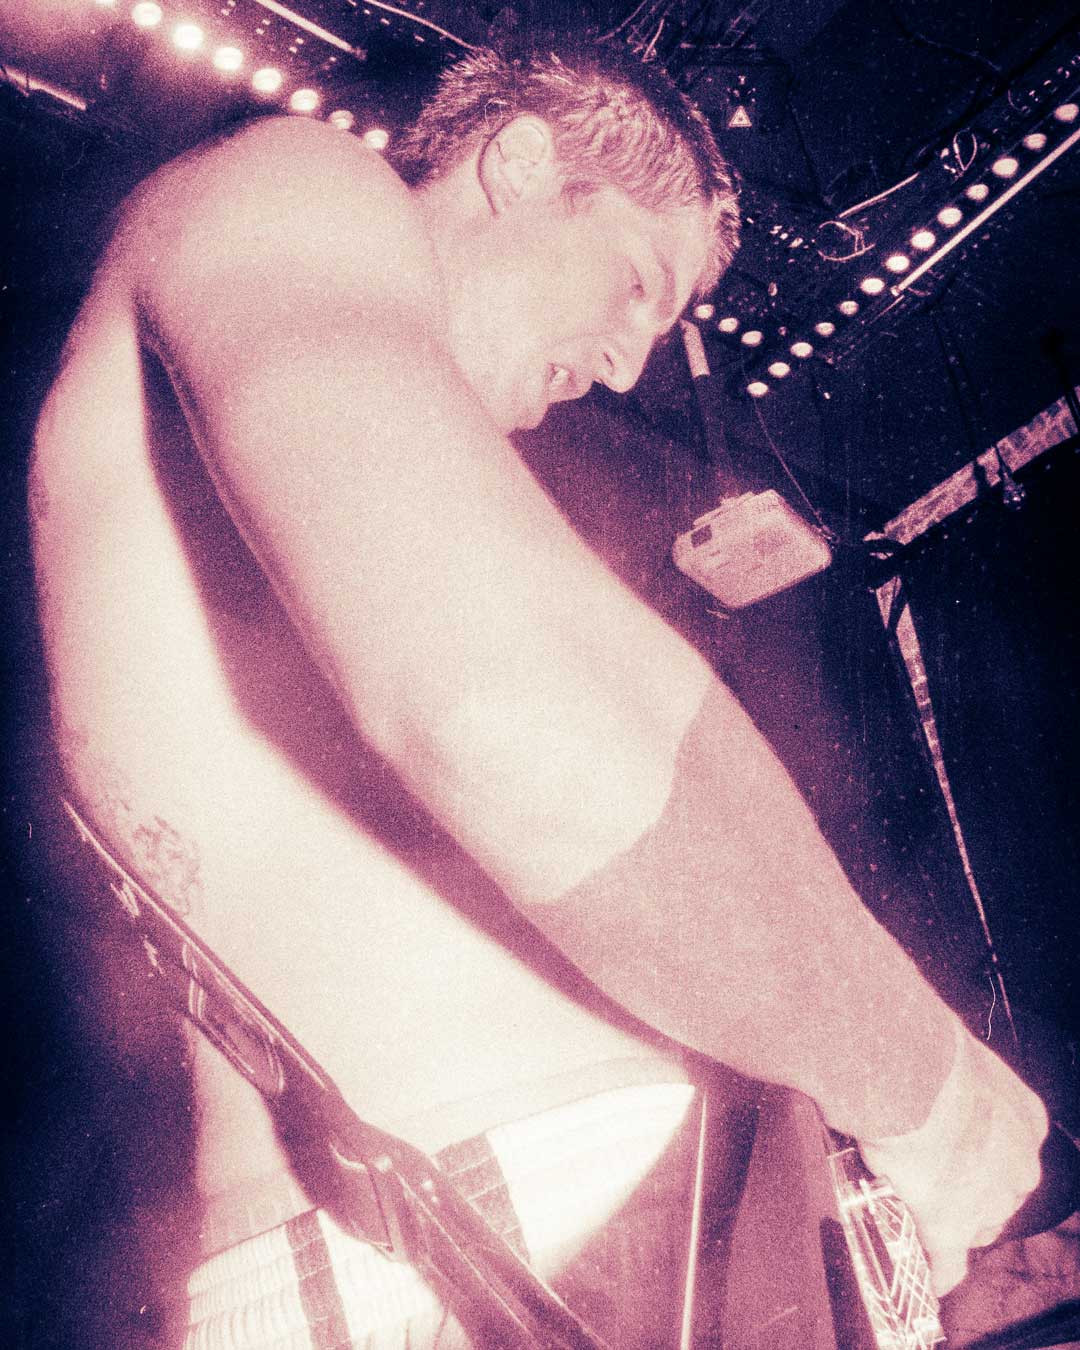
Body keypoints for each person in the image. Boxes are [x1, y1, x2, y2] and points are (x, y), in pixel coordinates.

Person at [29, 40, 1048, 1348]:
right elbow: (494, 713)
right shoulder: (298, 178)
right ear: (517, 163)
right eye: (637, 283)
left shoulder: (357, 481)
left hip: (534, 1232)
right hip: (502, 1239)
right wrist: (928, 1086)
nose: (626, 367)